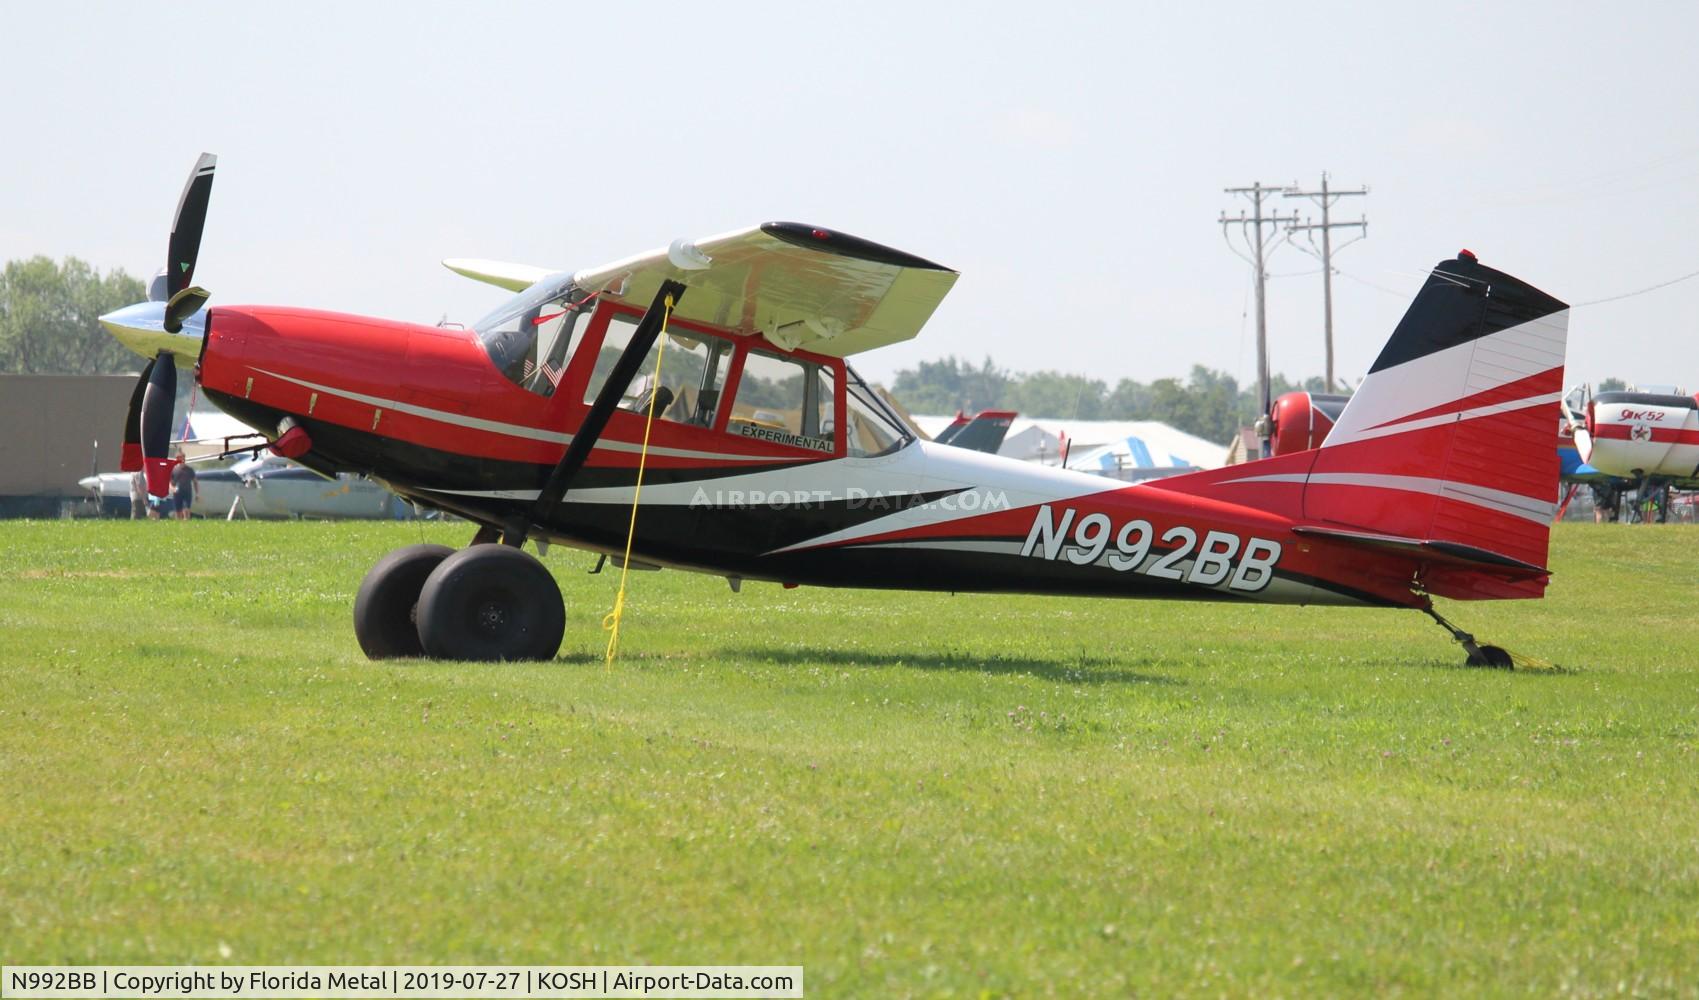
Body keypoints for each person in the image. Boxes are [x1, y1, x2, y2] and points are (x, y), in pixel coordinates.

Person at [170, 449, 198, 520]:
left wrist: (197, 494)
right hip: (177, 493)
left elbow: (195, 482)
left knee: (186, 509)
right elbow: (170, 483)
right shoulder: (173, 470)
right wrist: (173, 489)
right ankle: (179, 526)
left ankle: (187, 523)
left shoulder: (189, 469)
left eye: (183, 457)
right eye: (179, 458)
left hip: (187, 491)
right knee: (178, 512)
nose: (182, 459)